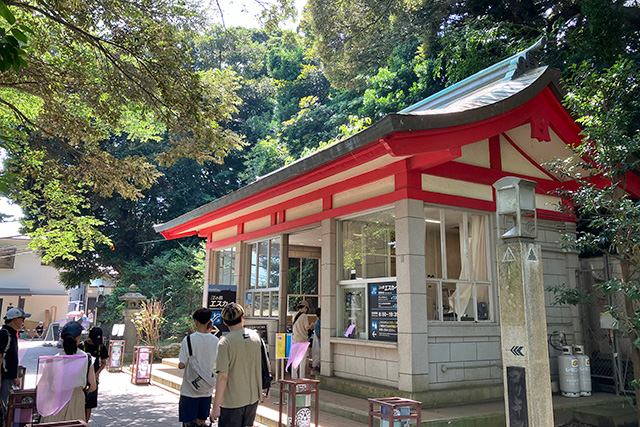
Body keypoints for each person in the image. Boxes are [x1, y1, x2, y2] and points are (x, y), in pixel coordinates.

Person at [210, 303, 268, 427]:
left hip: (232, 401)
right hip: (252, 399)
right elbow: (265, 366)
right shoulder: (257, 338)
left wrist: (216, 406)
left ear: (224, 322)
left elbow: (223, 376)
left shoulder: (225, 343)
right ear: (242, 317)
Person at [40, 321, 96, 422]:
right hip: (77, 400)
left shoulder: (53, 359)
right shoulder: (87, 358)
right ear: (79, 337)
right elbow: (93, 386)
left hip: (55, 401)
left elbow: (43, 385)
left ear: (61, 338)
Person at [178, 308, 219, 427]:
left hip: (189, 389)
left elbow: (182, 364)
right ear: (209, 321)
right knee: (201, 422)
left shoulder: (189, 339)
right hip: (206, 389)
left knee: (188, 422)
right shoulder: (216, 341)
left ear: (196, 321)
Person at [0, 308, 30, 415]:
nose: (23, 322)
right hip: (3, 378)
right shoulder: (4, 334)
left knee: (6, 407)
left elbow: (12, 358)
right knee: (2, 408)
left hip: (9, 377)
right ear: (15, 319)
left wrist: (15, 375)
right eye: (22, 319)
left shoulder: (12, 334)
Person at [78, 327, 109, 421]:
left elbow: (104, 362)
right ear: (89, 337)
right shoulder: (81, 346)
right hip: (81, 379)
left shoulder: (101, 346)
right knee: (80, 402)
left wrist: (96, 373)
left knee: (90, 403)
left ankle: (86, 422)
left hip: (93, 380)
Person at [291, 300, 313, 379]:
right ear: (304, 307)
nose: (306, 310)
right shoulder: (304, 316)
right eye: (306, 309)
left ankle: (294, 377)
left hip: (294, 340)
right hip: (302, 341)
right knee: (302, 361)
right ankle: (301, 378)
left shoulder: (294, 315)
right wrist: (311, 325)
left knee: (295, 360)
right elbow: (306, 328)